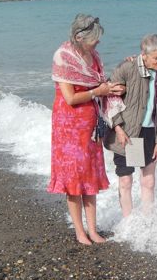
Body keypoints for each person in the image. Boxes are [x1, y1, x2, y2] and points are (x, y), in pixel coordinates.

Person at [48, 14, 124, 246]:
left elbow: (98, 83)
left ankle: (93, 229)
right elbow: (70, 98)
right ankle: (80, 231)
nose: (98, 42)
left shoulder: (94, 55)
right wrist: (97, 92)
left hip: (91, 125)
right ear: (80, 37)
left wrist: (111, 88)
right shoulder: (63, 57)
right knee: (74, 181)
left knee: (90, 177)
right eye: (94, 38)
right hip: (68, 126)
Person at [104, 34, 157, 217]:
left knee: (148, 181)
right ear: (144, 55)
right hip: (128, 134)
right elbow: (109, 98)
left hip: (150, 133)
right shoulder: (128, 68)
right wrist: (117, 127)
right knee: (126, 180)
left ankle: (147, 221)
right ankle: (128, 221)